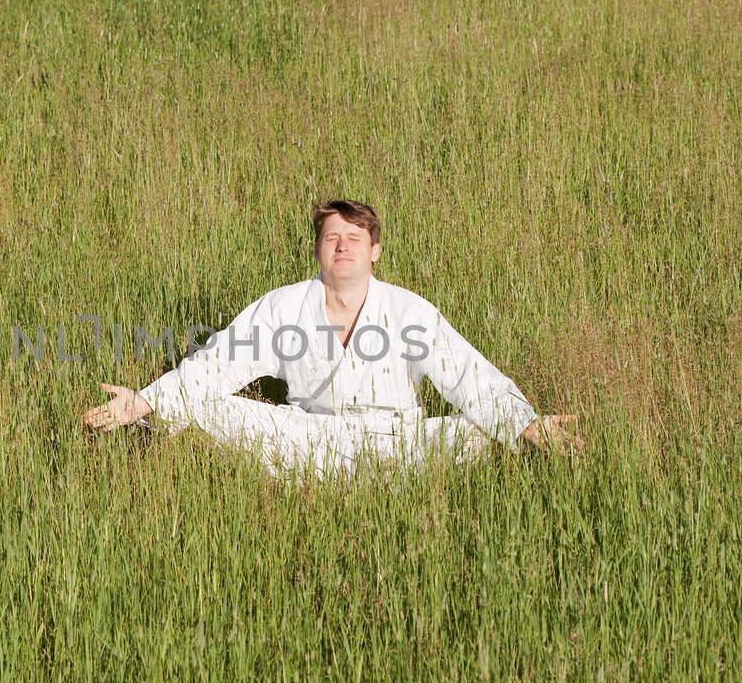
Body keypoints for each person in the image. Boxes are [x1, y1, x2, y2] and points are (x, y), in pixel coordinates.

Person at [82, 199, 581, 477]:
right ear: (318, 250)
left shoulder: (409, 310)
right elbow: (216, 365)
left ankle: (503, 445)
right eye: (332, 238)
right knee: (209, 406)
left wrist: (527, 424)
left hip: (399, 442)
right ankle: (154, 421)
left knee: (475, 430)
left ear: (375, 251)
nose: (342, 247)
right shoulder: (283, 306)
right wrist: (142, 402)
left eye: (354, 239)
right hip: (308, 439)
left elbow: (470, 378)